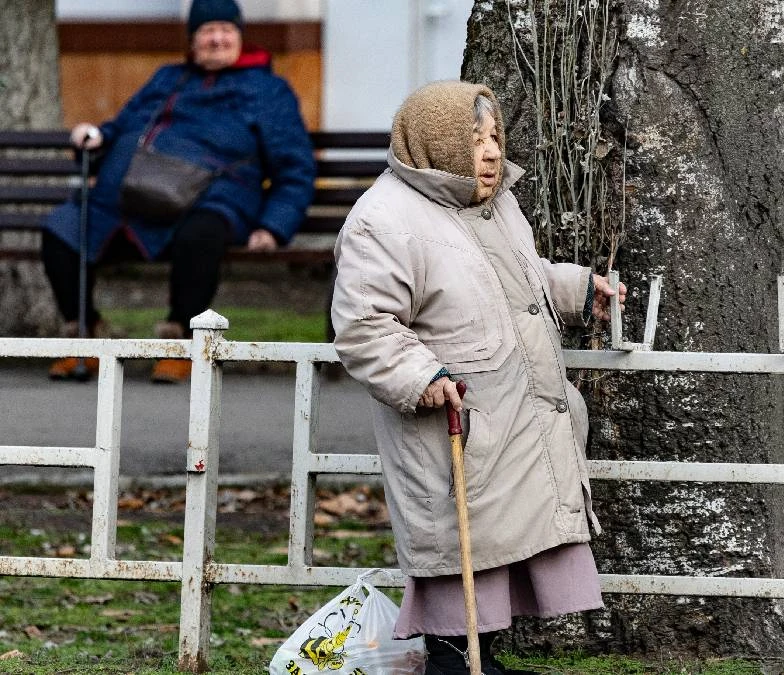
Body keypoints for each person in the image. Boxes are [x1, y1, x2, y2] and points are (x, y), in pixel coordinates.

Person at [330, 81, 626, 675]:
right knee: (459, 564)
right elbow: (364, 325)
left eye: (494, 138)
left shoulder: (492, 204)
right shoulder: (383, 220)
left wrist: (573, 289)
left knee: (501, 554)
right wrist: (422, 374)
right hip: (458, 422)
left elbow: (512, 275)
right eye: (475, 140)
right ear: (437, 143)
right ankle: (453, 664)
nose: (491, 152)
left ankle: (476, 663)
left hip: (516, 416)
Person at [41, 0, 316, 383]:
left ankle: (181, 343)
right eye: (207, 32)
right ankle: (85, 336)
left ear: (240, 37)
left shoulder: (269, 90)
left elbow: (295, 167)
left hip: (216, 198)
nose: (217, 39)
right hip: (133, 196)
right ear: (192, 41)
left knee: (200, 233)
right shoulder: (168, 78)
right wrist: (96, 136)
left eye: (226, 30)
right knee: (63, 228)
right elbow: (123, 126)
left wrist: (273, 226)